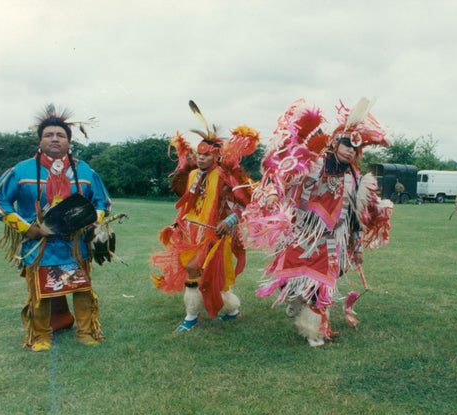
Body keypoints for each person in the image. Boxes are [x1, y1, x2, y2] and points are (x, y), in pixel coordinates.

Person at [243, 98, 394, 347]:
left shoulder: (354, 178)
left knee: (320, 286)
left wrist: (356, 248)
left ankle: (312, 330)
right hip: (301, 232)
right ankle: (293, 299)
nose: (350, 151)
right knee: (290, 278)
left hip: (331, 239)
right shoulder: (312, 163)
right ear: (335, 143)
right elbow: (279, 173)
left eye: (354, 150)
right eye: (346, 145)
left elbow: (355, 217)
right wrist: (272, 192)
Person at [0, 105, 111, 351]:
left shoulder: (85, 171)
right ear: (40, 140)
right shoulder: (22, 171)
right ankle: (41, 336)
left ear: (69, 141)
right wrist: (27, 229)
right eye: (48, 135)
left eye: (60, 135)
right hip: (39, 244)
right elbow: (0, 201)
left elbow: (103, 201)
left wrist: (93, 220)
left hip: (76, 245)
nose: (54, 139)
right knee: (40, 291)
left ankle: (87, 332)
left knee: (82, 289)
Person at [151, 101, 259, 332]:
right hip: (191, 231)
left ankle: (191, 316)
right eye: (199, 154)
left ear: (216, 156)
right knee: (210, 275)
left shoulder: (225, 177)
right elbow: (188, 205)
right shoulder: (192, 176)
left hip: (214, 234)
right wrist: (179, 222)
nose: (201, 159)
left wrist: (228, 221)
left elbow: (244, 204)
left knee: (195, 269)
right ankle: (231, 310)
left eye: (207, 155)